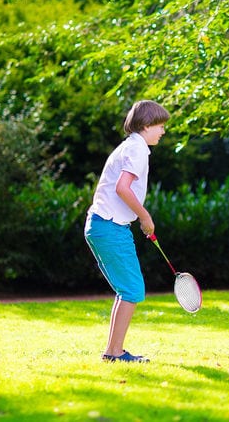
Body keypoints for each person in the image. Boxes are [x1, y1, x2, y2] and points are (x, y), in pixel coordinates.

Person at [84, 100, 170, 363]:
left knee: (128, 289)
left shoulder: (132, 146)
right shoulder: (137, 149)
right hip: (108, 226)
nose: (163, 131)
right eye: (160, 126)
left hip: (105, 225)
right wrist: (145, 216)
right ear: (146, 126)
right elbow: (123, 188)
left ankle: (113, 352)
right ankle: (115, 352)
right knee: (132, 289)